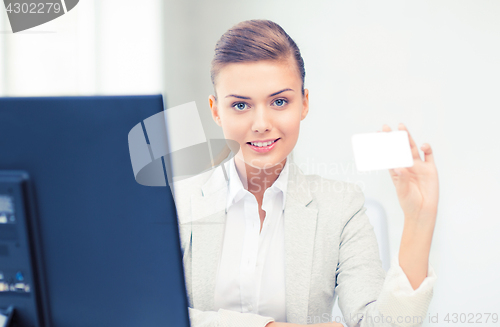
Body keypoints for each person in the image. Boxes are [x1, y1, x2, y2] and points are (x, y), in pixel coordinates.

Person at [172, 19, 438, 327]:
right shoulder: (176, 203)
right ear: (216, 110)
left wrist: (419, 220)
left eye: (280, 101)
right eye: (241, 105)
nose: (261, 123)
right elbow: (149, 314)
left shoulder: (341, 208)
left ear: (304, 104)